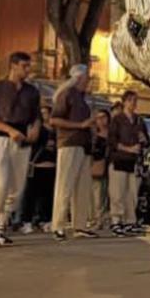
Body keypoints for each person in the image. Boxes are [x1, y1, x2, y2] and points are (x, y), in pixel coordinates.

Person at [0, 51, 42, 248]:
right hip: (1, 138)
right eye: (24, 66)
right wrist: (9, 130)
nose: (27, 70)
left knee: (16, 188)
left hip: (22, 140)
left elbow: (36, 116)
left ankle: (1, 227)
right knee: (0, 183)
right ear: (13, 66)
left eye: (28, 66)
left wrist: (35, 129)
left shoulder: (32, 92)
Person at [48, 64, 99, 241]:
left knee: (82, 188)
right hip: (69, 143)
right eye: (87, 78)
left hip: (83, 146)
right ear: (79, 78)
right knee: (65, 186)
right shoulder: (66, 95)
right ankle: (58, 225)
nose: (89, 81)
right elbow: (54, 119)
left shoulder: (84, 98)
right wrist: (80, 125)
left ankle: (80, 225)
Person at [108, 89, 149, 236]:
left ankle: (130, 220)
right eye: (130, 100)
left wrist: (143, 140)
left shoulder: (139, 120)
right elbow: (112, 140)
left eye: (135, 101)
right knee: (117, 192)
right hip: (119, 159)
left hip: (134, 162)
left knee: (131, 193)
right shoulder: (117, 119)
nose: (133, 104)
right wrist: (128, 148)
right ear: (124, 102)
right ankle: (116, 220)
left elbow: (146, 141)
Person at [20, 106, 56, 234]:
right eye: (41, 113)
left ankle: (45, 219)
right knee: (31, 195)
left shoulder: (55, 131)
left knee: (48, 196)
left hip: (51, 165)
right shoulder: (37, 130)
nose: (43, 115)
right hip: (36, 165)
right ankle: (27, 221)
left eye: (46, 113)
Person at [89, 109, 111, 230]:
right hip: (98, 166)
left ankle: (107, 218)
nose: (101, 120)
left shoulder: (113, 134)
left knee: (109, 195)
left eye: (104, 117)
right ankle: (97, 219)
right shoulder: (94, 136)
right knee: (97, 195)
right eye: (98, 118)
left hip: (112, 166)